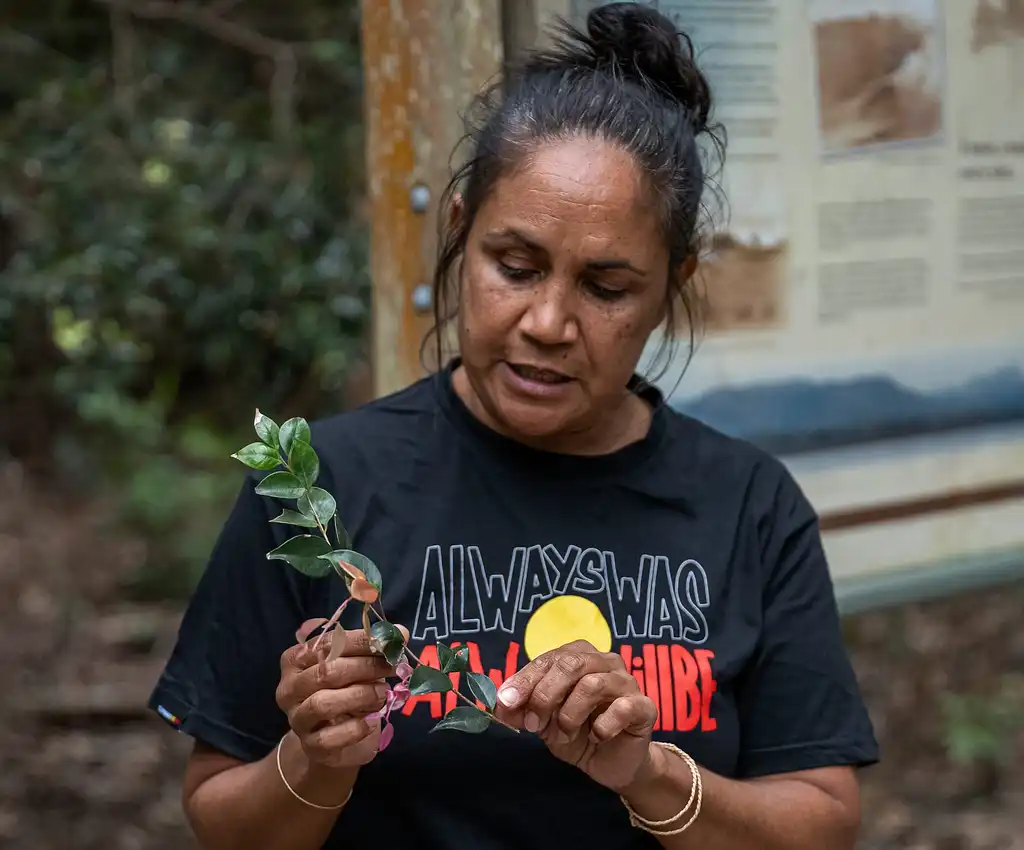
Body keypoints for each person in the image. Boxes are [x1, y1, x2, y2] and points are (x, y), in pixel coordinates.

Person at [148, 4, 879, 848]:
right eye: (516, 266)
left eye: (606, 288)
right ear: (462, 230)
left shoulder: (748, 504)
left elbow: (821, 823)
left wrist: (648, 775)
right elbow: (220, 819)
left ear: (672, 285)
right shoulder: (320, 490)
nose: (548, 322)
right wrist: (317, 761)